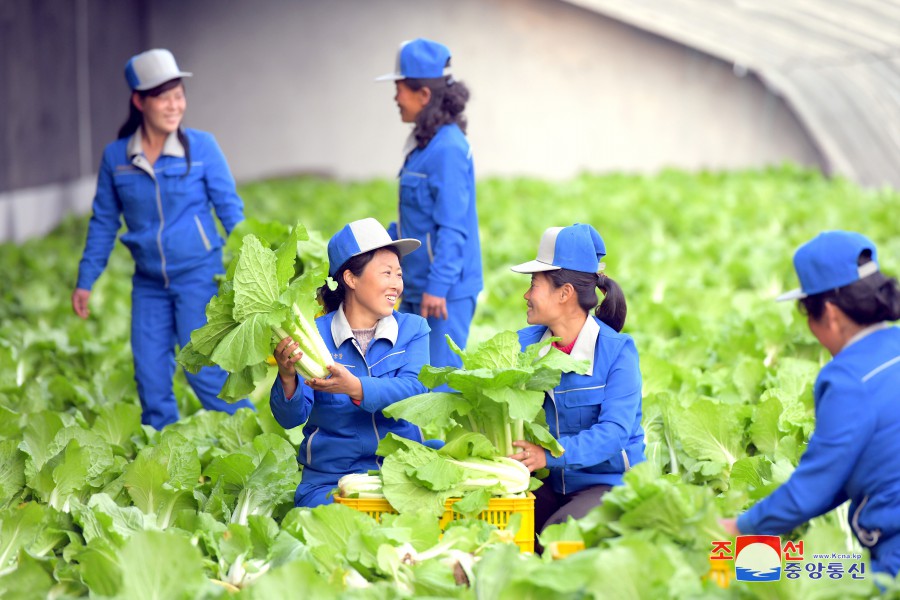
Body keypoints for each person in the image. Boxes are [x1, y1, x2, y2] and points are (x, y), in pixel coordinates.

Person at [72, 49, 254, 429]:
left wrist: (252, 273)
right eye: (163, 96)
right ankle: (165, 457)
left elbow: (231, 212)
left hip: (199, 278)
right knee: (151, 380)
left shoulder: (202, 147)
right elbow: (104, 221)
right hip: (149, 284)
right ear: (139, 101)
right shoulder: (117, 158)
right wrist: (86, 279)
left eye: (179, 94)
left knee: (206, 377)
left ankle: (253, 438)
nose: (175, 105)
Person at [721, 231, 900, 577]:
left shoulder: (847, 380)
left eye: (807, 314)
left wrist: (738, 528)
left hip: (894, 557)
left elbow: (812, 490)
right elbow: (835, 479)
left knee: (771, 577)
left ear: (830, 314)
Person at [270, 218, 432, 508]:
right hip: (332, 483)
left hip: (404, 476)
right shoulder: (315, 336)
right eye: (386, 273)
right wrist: (286, 377)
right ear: (351, 278)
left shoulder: (414, 328)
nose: (397, 284)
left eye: (399, 274)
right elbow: (290, 419)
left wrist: (355, 387)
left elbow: (416, 392)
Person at [506, 224, 646, 542]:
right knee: (506, 527)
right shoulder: (522, 344)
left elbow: (613, 434)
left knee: (556, 537)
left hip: (609, 484)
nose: (526, 295)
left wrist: (549, 455)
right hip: (550, 483)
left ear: (565, 293)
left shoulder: (617, 352)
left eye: (534, 284)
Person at [377, 38, 483, 373]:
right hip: (419, 285)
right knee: (414, 384)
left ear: (423, 95)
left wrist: (437, 288)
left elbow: (453, 227)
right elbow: (417, 220)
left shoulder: (447, 148)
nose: (395, 98)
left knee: (438, 388)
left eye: (399, 88)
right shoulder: (425, 144)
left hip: (442, 295)